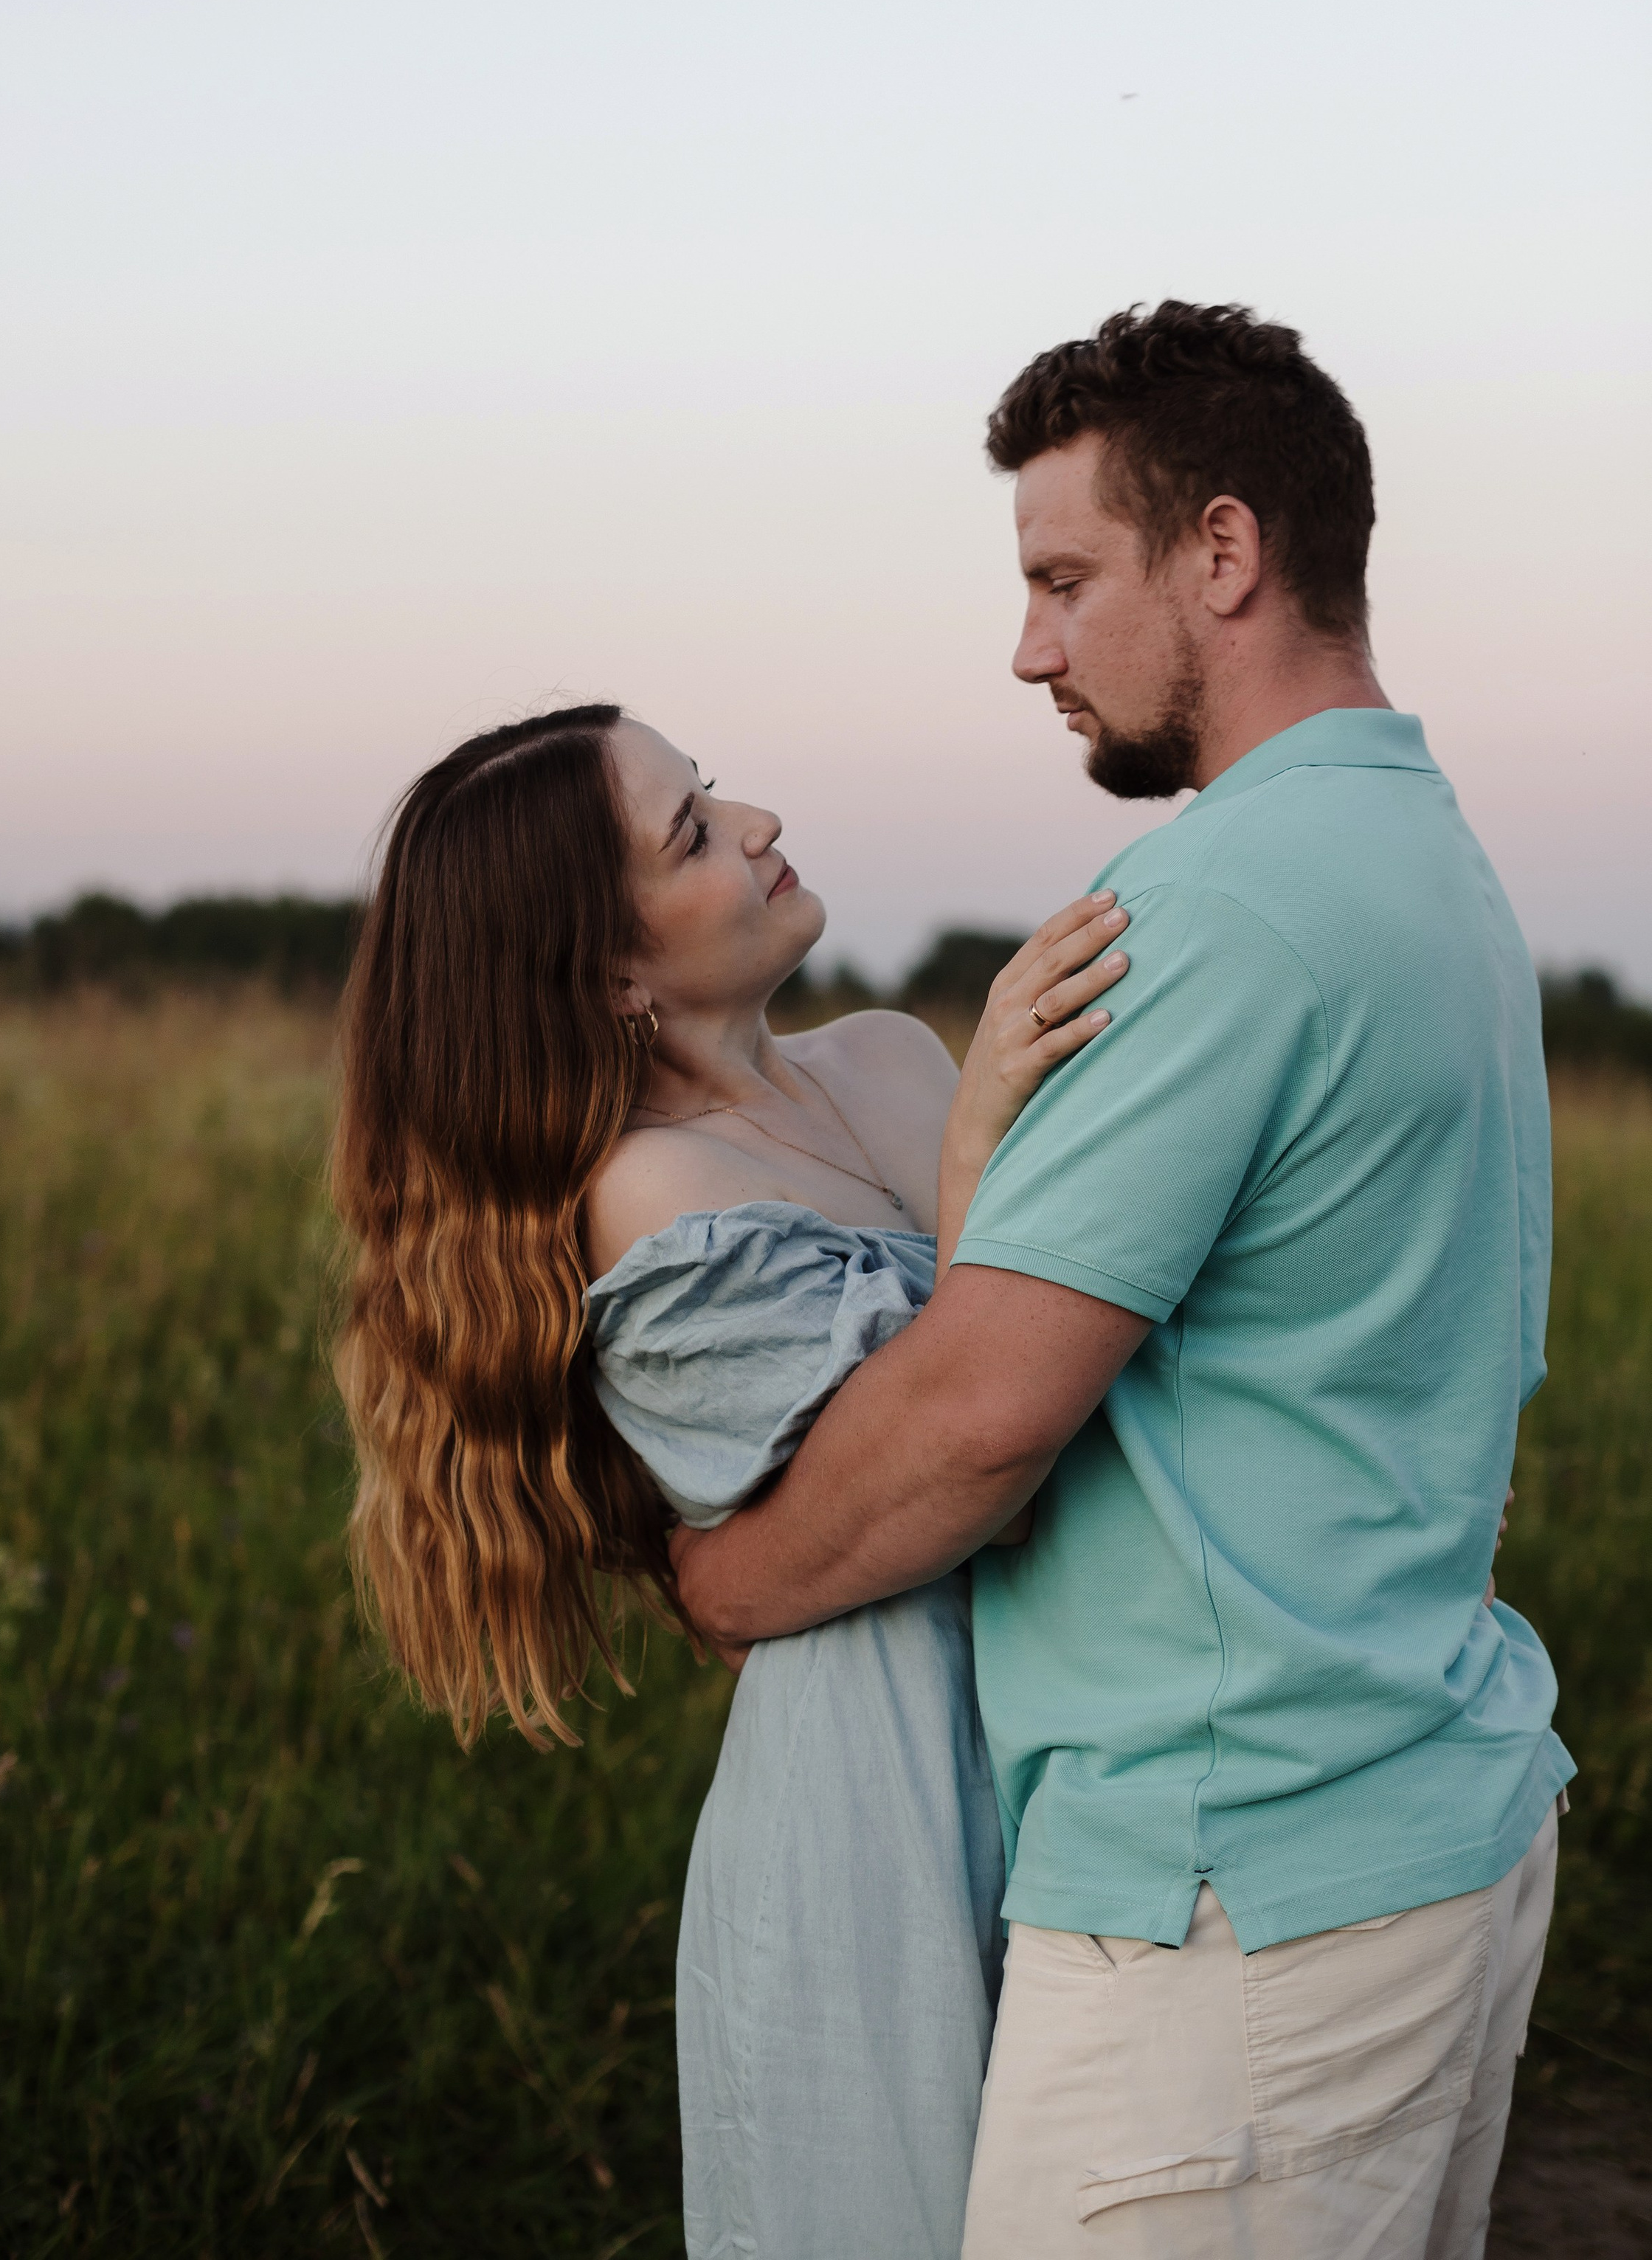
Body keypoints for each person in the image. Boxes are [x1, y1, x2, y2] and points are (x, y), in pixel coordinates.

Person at [674, 299, 1572, 2260]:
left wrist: (727, 1577)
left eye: (1066, 578)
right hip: (1420, 1808)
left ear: (1226, 554)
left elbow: (983, 1414)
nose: (1030, 647)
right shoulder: (1419, 849)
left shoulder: (1212, 903)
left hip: (1237, 1906)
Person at [328, 702, 1131, 2259]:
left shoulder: (893, 1059)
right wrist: (979, 1155)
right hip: (887, 1797)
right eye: (690, 833)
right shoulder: (652, 1202)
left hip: (1093, 1724)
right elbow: (976, 1466)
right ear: (609, 973)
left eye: (708, 792)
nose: (757, 820)